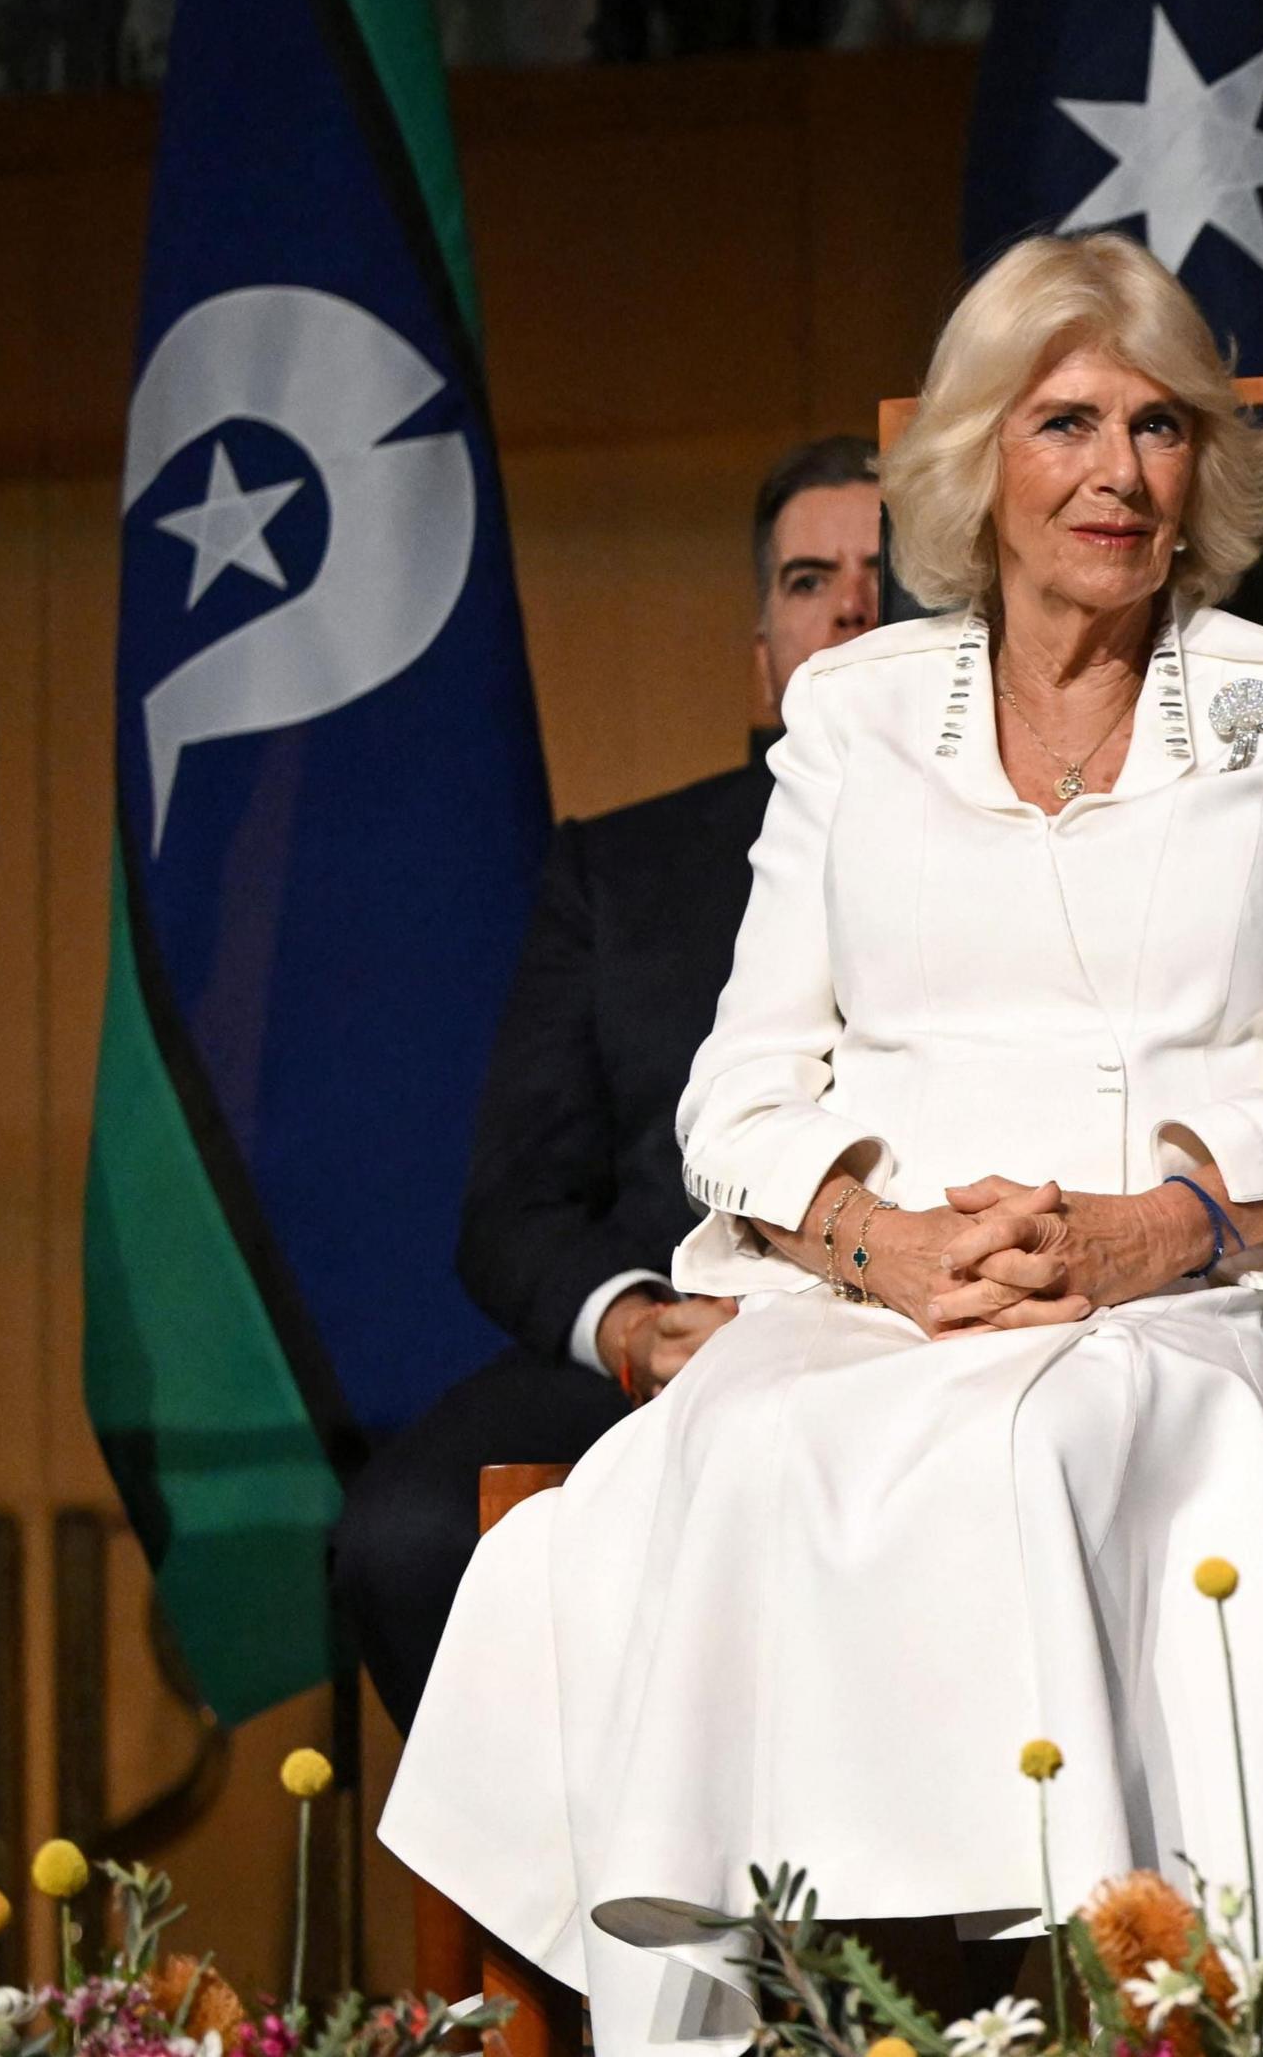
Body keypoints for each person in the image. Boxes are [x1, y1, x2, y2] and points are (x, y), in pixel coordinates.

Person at [382, 234, 1263, 2050]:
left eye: (1158, 427)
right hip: (880, 1289)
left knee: (1029, 1450)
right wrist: (875, 1247)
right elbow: (734, 1093)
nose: (1116, 473)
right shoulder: (855, 711)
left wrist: (1148, 1229)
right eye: (1065, 424)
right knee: (706, 1470)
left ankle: (1072, 1995)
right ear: (979, 464)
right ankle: (760, 2004)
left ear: (1204, 471)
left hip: (1175, 1297)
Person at [329, 433, 886, 1724]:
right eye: (809, 579)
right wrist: (634, 1332)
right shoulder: (617, 874)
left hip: (899, 1340)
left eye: (884, 570)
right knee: (406, 1536)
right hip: (661, 1349)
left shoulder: (1008, 846)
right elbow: (510, 1211)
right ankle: (574, 1919)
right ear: (760, 654)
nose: (852, 603)